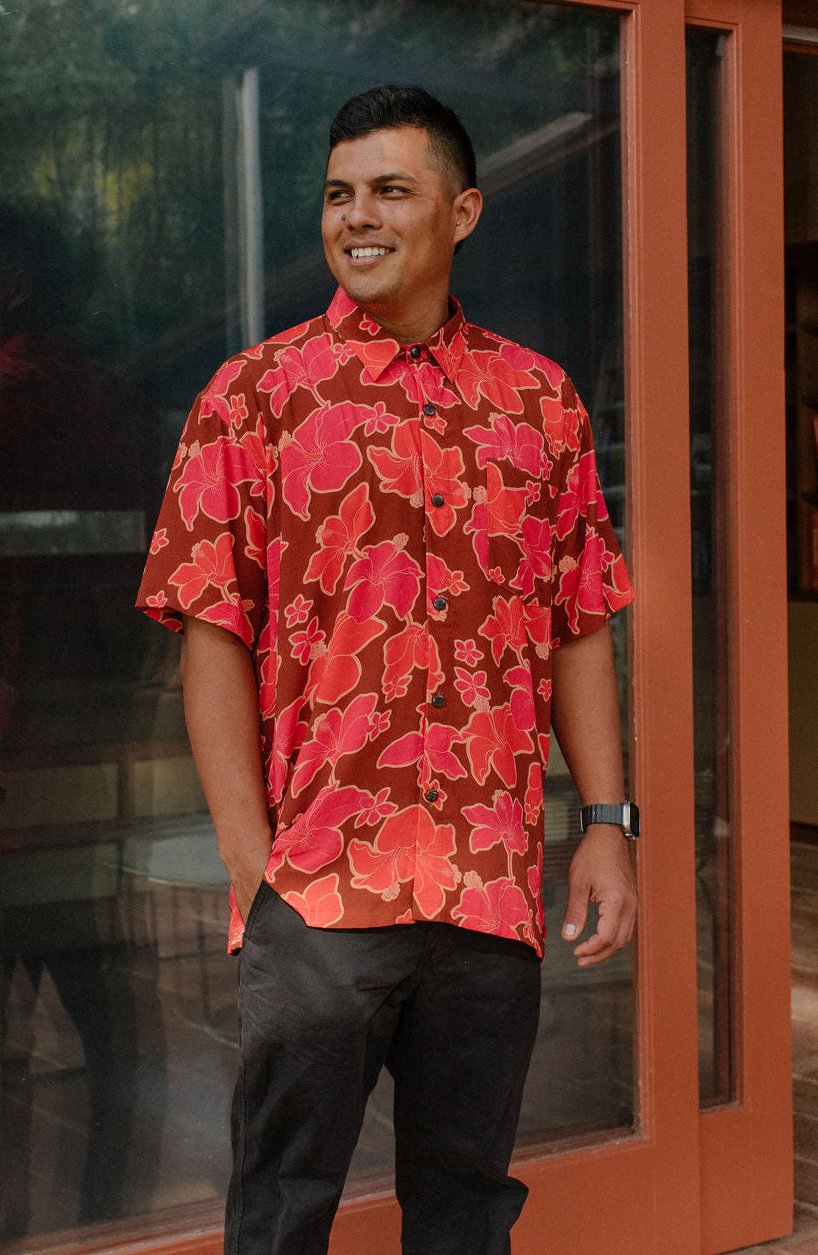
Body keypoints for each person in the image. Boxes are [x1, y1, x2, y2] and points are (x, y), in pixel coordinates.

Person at [136, 84, 638, 1255]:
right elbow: (211, 631)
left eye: (390, 192)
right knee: (280, 1204)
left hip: (487, 880)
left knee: (466, 1208)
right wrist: (251, 859)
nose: (356, 217)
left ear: (461, 212)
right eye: (337, 195)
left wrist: (606, 823)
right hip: (317, 886)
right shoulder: (254, 397)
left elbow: (579, 623)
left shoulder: (540, 402)